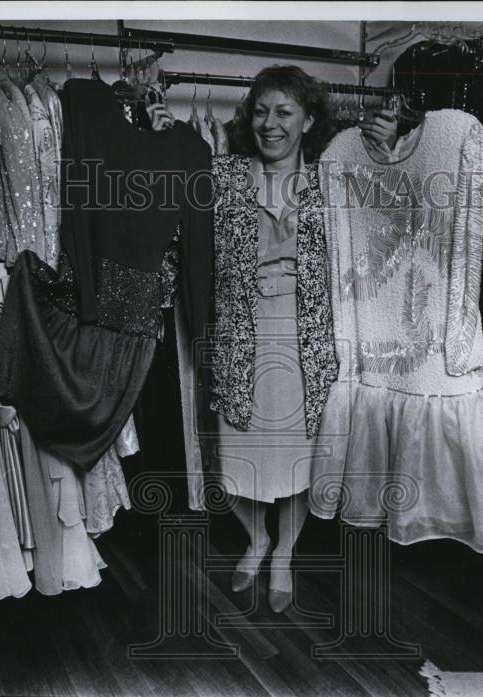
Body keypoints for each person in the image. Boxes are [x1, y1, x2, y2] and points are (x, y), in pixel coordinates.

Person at [149, 67, 398, 612]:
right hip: (239, 335)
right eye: (261, 111)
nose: (270, 123)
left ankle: (283, 550)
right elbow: (173, 226)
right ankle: (256, 538)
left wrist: (387, 152)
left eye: (284, 112)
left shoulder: (334, 181)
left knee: (300, 459)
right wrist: (160, 145)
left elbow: (387, 226)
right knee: (236, 458)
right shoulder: (221, 175)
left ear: (308, 121)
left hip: (310, 338)